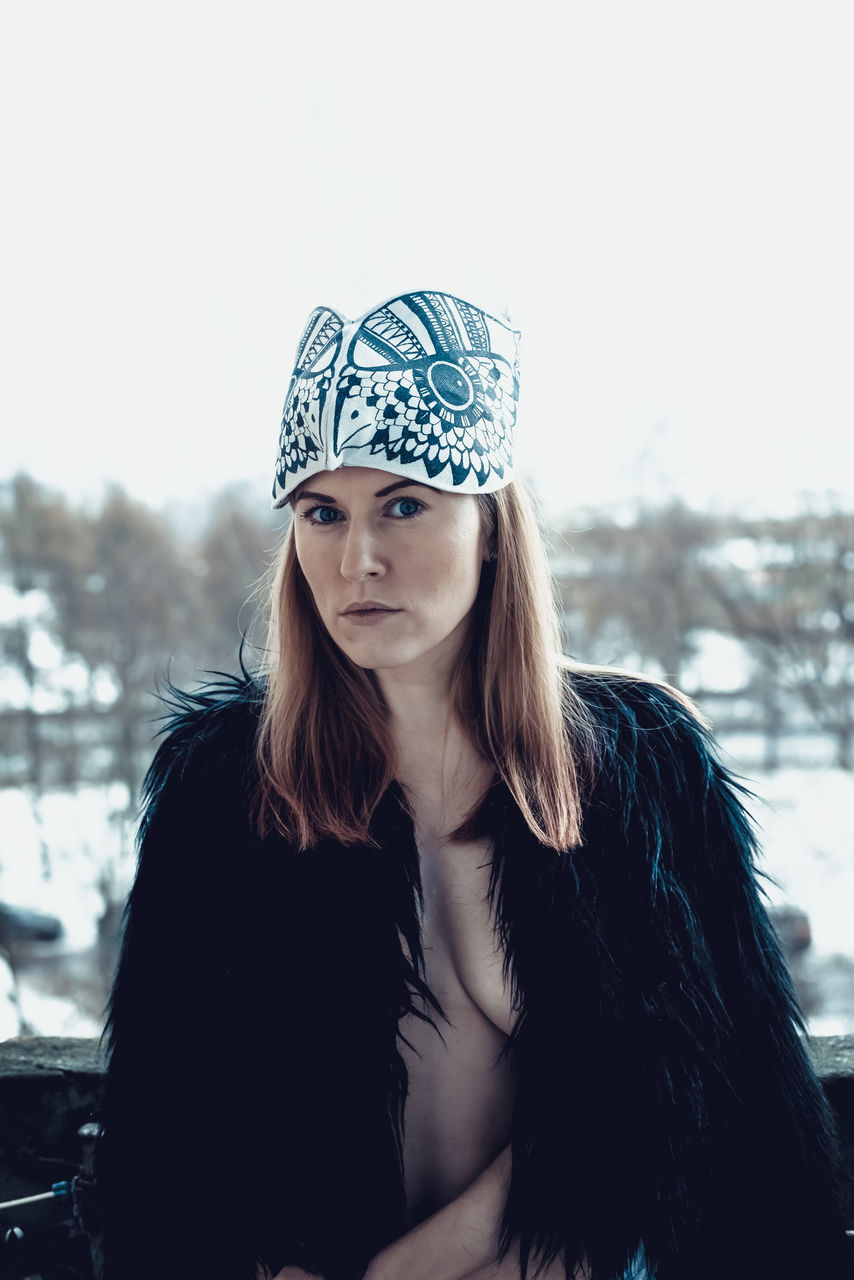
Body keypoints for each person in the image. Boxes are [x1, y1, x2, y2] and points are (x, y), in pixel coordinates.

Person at [96, 291, 852, 1280]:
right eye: (320, 513)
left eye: (402, 503)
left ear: (489, 525)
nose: (356, 558)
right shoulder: (227, 791)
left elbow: (735, 1121)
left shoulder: (637, 774)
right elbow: (164, 1148)